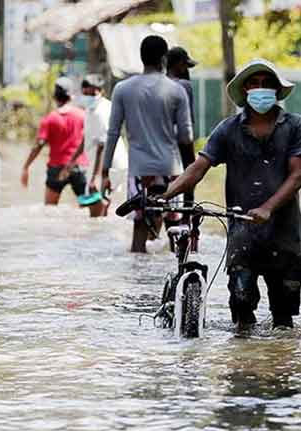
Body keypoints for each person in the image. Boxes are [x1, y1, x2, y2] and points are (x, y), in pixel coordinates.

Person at [159, 58, 301, 331]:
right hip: (242, 233)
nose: (261, 90)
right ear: (245, 90)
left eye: (267, 84)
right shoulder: (228, 129)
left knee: (284, 319)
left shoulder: (294, 127)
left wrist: (268, 208)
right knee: (241, 310)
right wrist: (168, 193)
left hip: (284, 234)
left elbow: (297, 176)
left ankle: (277, 368)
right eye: (255, 84)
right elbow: (199, 167)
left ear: (277, 90)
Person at [101, 35, 194, 253]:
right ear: (164, 58)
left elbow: (113, 133)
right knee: (176, 233)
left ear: (141, 58)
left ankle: (137, 286)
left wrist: (105, 172)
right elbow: (185, 137)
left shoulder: (123, 89)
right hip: (171, 170)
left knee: (139, 235)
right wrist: (192, 172)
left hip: (140, 173)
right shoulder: (176, 90)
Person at [66, 74, 128, 217]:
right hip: (99, 165)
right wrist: (72, 160)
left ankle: (99, 236)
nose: (88, 96)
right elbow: (86, 138)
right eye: (85, 93)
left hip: (110, 165)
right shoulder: (90, 109)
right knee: (101, 206)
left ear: (100, 91)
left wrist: (95, 177)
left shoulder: (102, 111)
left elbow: (102, 145)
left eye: (92, 93)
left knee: (96, 208)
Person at [21, 76, 88, 205]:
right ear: (71, 96)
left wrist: (26, 167)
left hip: (56, 168)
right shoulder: (83, 115)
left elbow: (39, 145)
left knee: (50, 209)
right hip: (79, 167)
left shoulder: (50, 118)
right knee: (86, 206)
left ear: (55, 97)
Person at [166, 46, 197, 132]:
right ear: (178, 64)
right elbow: (188, 123)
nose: (186, 70)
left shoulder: (157, 85)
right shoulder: (184, 85)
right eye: (184, 65)